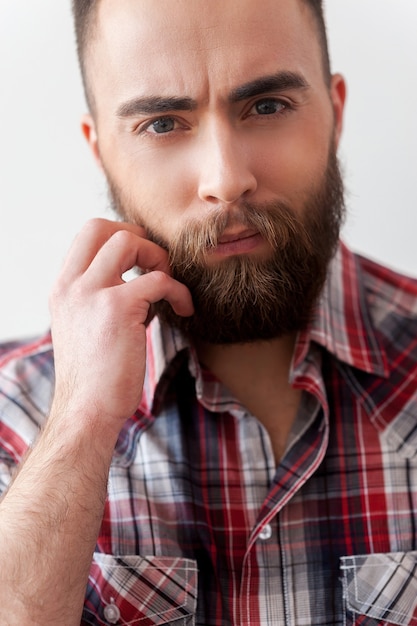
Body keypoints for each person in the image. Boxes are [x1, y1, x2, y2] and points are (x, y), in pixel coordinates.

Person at [0, 0, 416, 624]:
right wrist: (80, 423)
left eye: (267, 106)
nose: (226, 178)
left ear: (335, 112)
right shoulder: (14, 414)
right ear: (101, 150)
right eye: (163, 124)